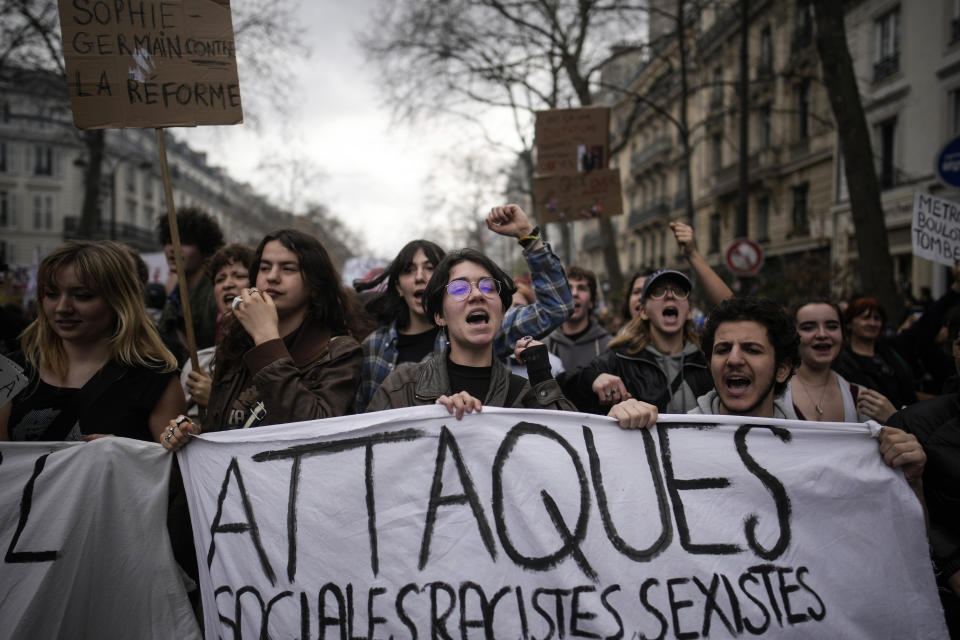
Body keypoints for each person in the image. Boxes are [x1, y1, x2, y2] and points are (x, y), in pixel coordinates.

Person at [366, 248, 657, 430]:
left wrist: (620, 417)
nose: (477, 294)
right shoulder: (401, 389)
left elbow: (571, 452)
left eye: (487, 287)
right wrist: (433, 419)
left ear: (503, 310)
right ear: (439, 316)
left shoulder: (527, 396)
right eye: (458, 289)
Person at [355, 204, 573, 412]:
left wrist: (529, 236)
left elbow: (556, 307)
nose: (420, 278)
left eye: (430, 268)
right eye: (409, 270)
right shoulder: (377, 351)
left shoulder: (519, 389)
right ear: (439, 313)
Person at [162, 229, 363, 449]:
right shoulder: (235, 346)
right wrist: (193, 436)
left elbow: (314, 434)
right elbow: (222, 428)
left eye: (288, 269)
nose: (272, 277)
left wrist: (267, 339)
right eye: (265, 267)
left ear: (315, 285)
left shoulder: (338, 352)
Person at [0, 241, 184, 442]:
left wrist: (129, 454)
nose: (62, 307)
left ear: (119, 301)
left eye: (82, 296)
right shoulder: (11, 372)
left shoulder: (156, 380)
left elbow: (172, 468)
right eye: (51, 294)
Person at [565, 269, 714, 414]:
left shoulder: (708, 361)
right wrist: (592, 379)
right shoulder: (620, 359)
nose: (670, 296)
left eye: (679, 292)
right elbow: (566, 389)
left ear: (689, 311)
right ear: (643, 311)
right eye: (658, 292)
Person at [179, 243, 255, 419]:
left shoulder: (270, 354)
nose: (227, 284)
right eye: (220, 279)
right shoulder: (199, 364)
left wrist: (216, 399)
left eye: (239, 276)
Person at [156, 207, 224, 363]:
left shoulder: (216, 295)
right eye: (168, 241)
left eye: (185, 242)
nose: (173, 248)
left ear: (204, 248)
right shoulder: (174, 297)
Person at [784, 300, 870, 423]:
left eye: (832, 327)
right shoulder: (772, 393)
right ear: (792, 335)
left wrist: (892, 417)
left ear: (843, 333)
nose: (822, 334)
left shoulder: (861, 399)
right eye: (808, 328)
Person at [832, 297, 918, 411]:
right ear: (849, 324)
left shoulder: (890, 354)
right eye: (866, 318)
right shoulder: (840, 362)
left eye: (877, 318)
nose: (872, 323)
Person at [544, 265, 612, 372]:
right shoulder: (545, 346)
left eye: (581, 288)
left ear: (591, 302)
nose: (574, 293)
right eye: (568, 288)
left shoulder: (608, 346)